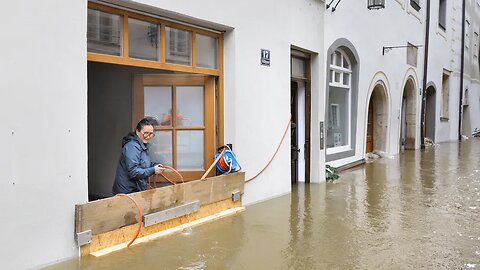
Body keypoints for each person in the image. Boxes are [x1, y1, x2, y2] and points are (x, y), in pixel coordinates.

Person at [112, 117, 163, 195]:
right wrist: (153, 170)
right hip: (127, 192)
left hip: (135, 189)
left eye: (151, 134)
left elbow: (143, 163)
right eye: (145, 133)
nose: (148, 136)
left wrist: (155, 166)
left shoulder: (143, 145)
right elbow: (133, 172)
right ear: (137, 131)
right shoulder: (132, 146)